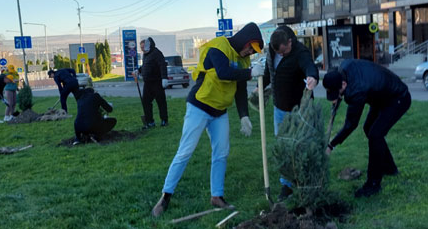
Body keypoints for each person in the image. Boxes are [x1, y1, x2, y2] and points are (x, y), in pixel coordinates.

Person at [151, 22, 265, 217]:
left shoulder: (243, 61)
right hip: (199, 106)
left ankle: (217, 196)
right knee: (185, 151)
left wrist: (244, 116)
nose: (249, 53)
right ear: (245, 40)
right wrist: (249, 73)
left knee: (221, 153)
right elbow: (223, 73)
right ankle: (165, 197)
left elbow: (238, 90)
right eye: (249, 47)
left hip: (219, 111)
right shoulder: (218, 46)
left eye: (253, 51)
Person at [323, 58, 411, 198]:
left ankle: (373, 184)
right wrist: (337, 98)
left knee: (375, 135)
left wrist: (331, 145)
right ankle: (389, 168)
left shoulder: (357, 90)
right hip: (380, 96)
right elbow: (341, 92)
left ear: (344, 84)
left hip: (398, 98)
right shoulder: (344, 67)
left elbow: (351, 124)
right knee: (369, 128)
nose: (337, 96)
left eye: (338, 92)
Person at [259, 26, 319, 200]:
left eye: (285, 52)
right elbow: (269, 72)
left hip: (300, 109)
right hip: (279, 108)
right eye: (280, 53)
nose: (282, 55)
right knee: (284, 147)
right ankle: (287, 186)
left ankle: (307, 181)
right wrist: (259, 86)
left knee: (302, 144)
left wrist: (312, 77)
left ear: (290, 42)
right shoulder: (273, 48)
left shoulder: (300, 51)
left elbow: (309, 66)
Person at [133, 37, 168, 129]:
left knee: (161, 102)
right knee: (146, 102)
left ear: (149, 45)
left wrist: (164, 78)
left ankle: (164, 120)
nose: (142, 49)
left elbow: (162, 65)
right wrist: (138, 71)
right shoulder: (145, 55)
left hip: (157, 82)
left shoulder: (157, 53)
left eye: (143, 46)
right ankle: (150, 122)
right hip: (147, 83)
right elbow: (145, 66)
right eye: (141, 47)